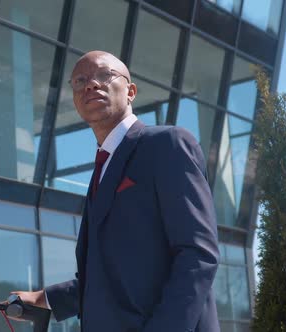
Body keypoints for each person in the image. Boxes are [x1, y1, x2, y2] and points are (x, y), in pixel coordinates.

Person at [11, 51, 220, 332]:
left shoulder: (167, 144)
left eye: (104, 75)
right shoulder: (103, 167)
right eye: (80, 81)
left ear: (131, 91)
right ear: (75, 99)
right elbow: (111, 279)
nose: (90, 85)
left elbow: (198, 254)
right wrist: (44, 298)